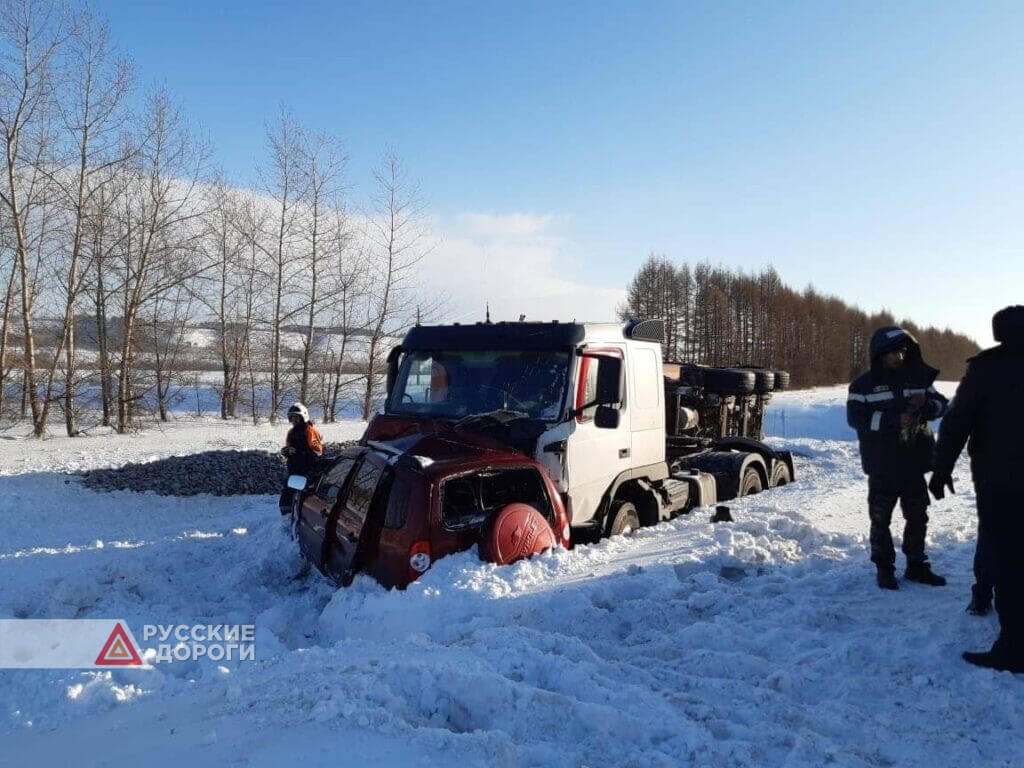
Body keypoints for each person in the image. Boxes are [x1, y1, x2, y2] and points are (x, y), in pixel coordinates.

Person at [931, 305, 1024, 673]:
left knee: (1008, 561)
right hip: (999, 481)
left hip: (1000, 483)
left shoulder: (986, 369)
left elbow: (956, 423)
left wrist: (941, 470)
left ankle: (1014, 648)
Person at [847, 326, 950, 590]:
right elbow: (855, 418)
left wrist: (927, 406)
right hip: (882, 466)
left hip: (913, 464)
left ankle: (917, 565)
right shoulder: (862, 385)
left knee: (918, 516)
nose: (900, 356)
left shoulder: (918, 378)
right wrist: (894, 420)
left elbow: (942, 404)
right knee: (880, 519)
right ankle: (884, 569)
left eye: (903, 350)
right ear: (881, 354)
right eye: (894, 351)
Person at [278, 402, 324, 515]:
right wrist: (286, 451)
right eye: (292, 417)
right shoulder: (291, 432)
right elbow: (290, 448)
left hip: (308, 471)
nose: (294, 420)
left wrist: (300, 451)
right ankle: (286, 517)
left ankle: (305, 518)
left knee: (305, 498)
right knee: (286, 497)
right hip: (294, 470)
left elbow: (318, 451)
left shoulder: (310, 431)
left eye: (297, 417)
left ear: (303, 417)